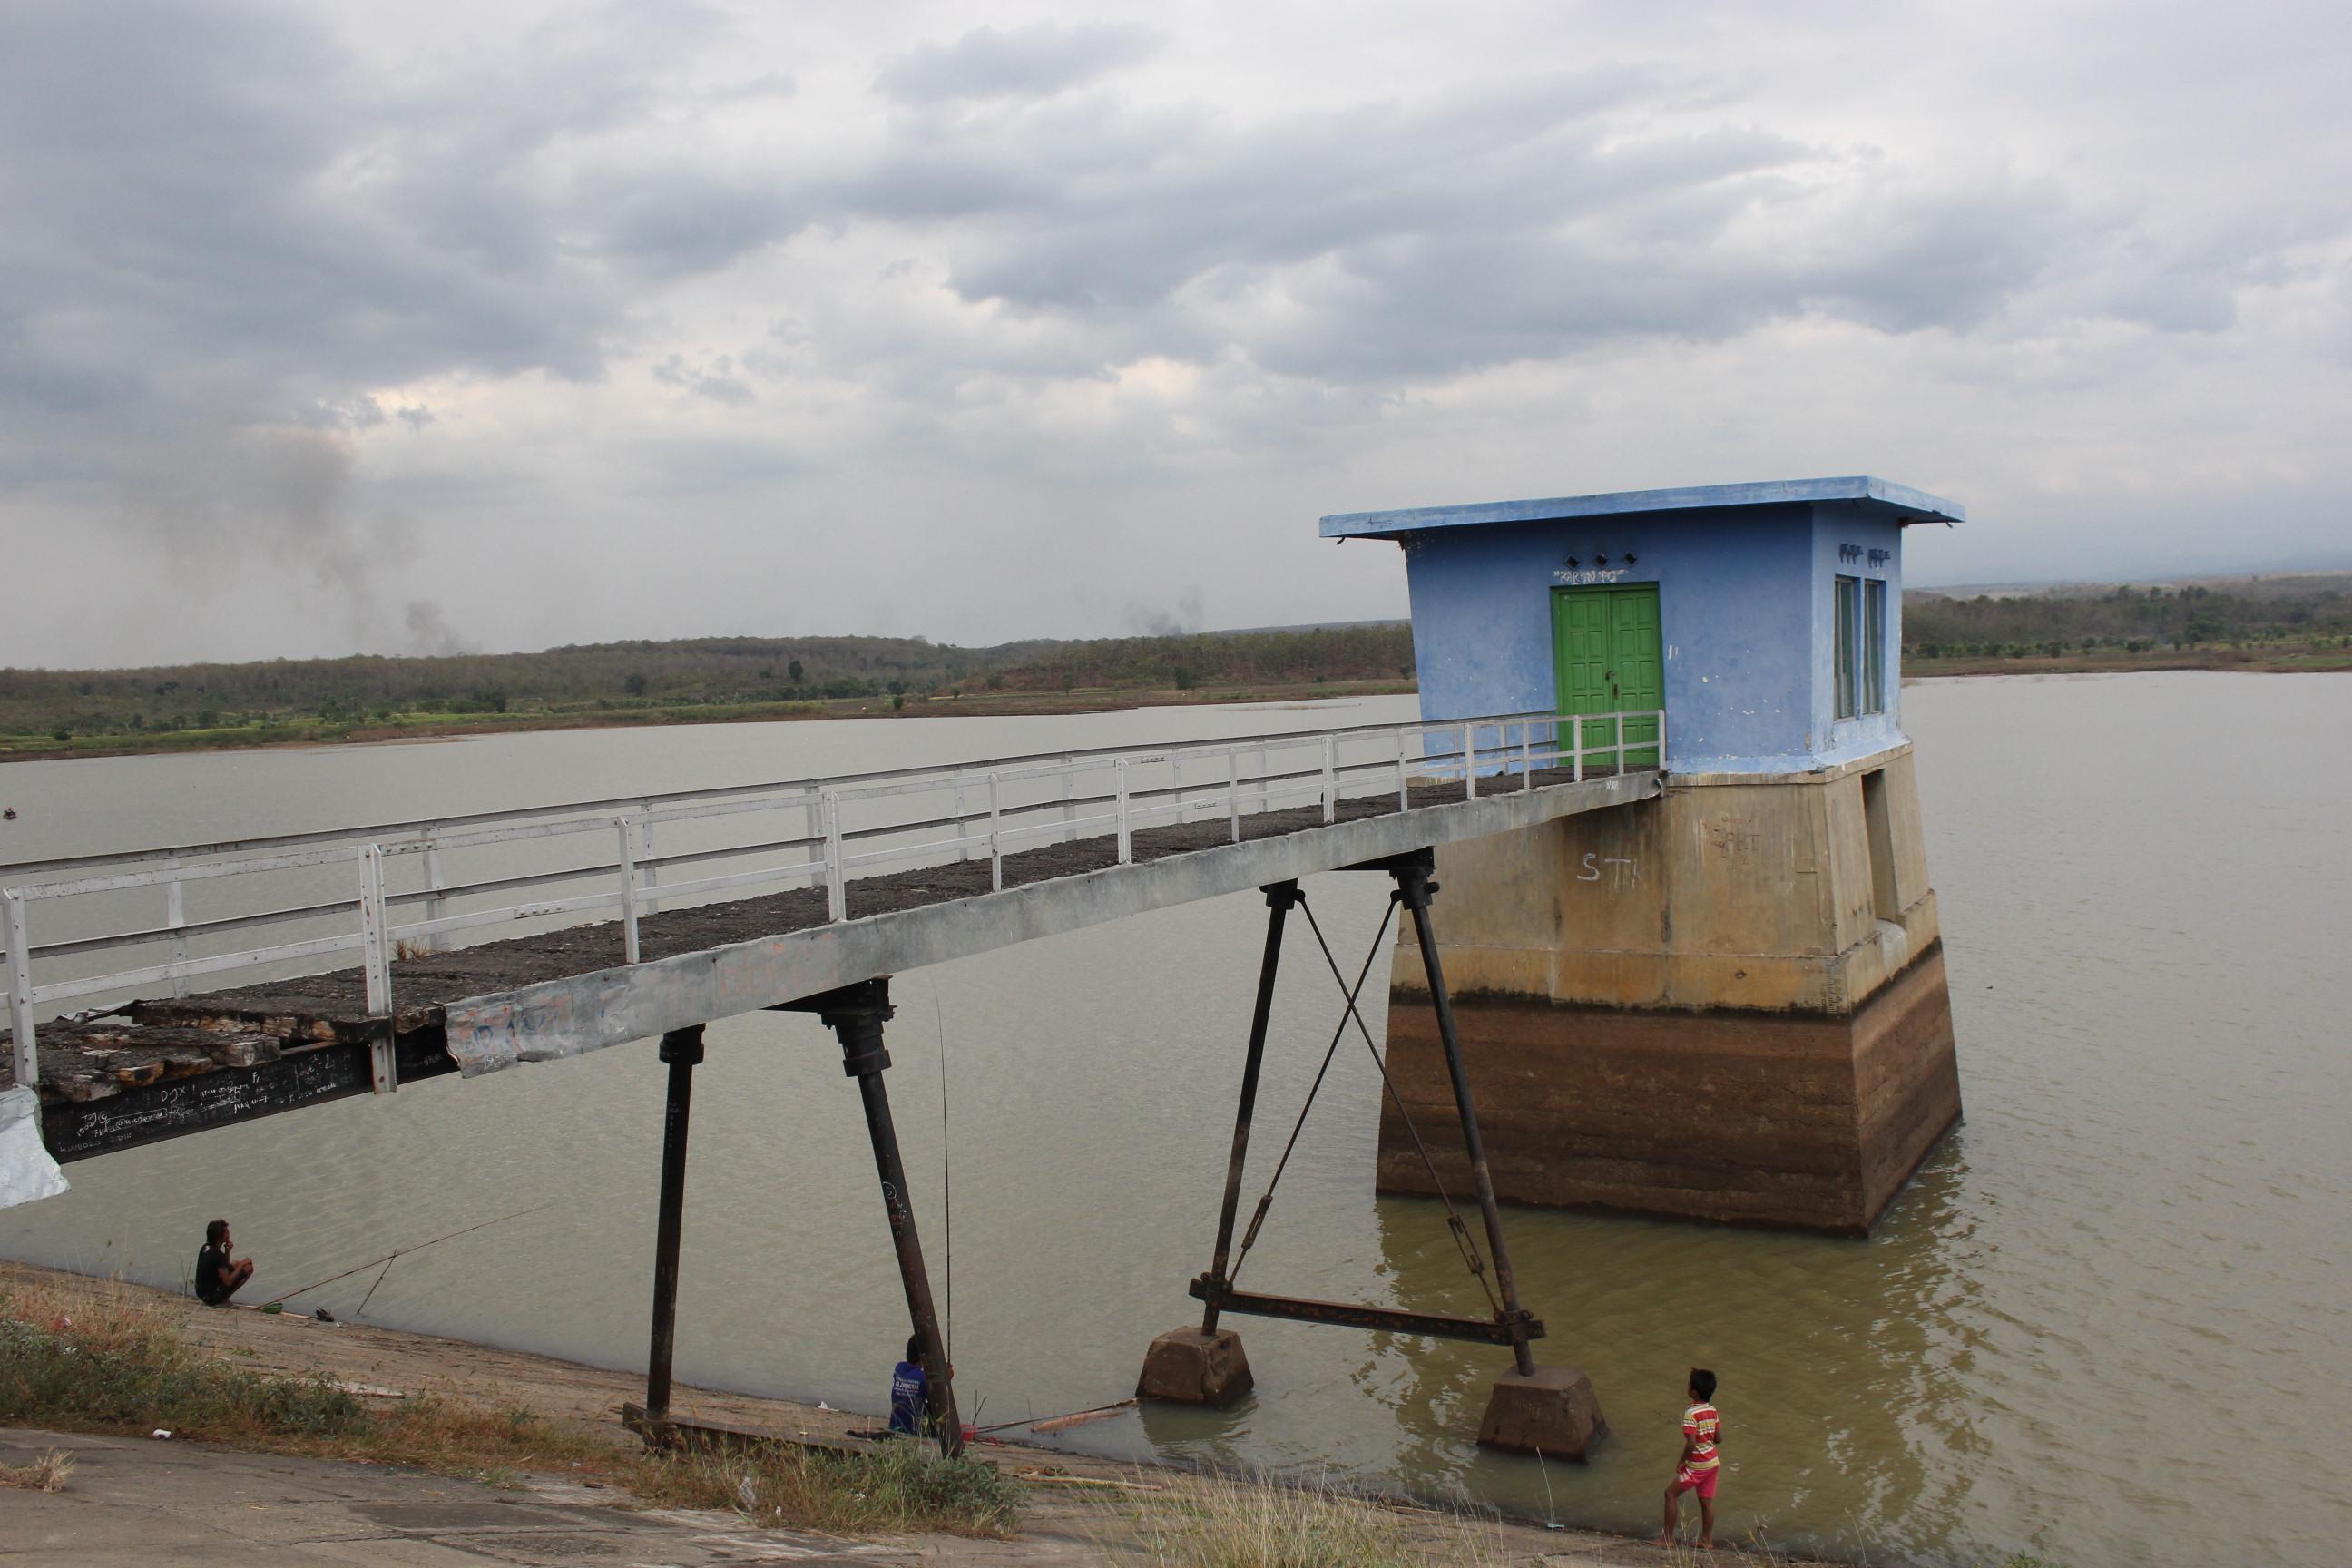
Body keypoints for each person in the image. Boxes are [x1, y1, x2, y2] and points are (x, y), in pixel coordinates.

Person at [1659, 1367, 1722, 1549]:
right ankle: (1706, 1540)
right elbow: (1718, 1438)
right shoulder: (1712, 1410)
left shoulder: (1690, 1414)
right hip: (1713, 1463)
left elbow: (1691, 1444)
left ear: (1693, 1392)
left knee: (1670, 1493)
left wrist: (1682, 1462)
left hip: (1698, 1464)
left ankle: (1668, 1539)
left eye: (1689, 1384)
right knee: (1706, 1501)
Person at [194, 1219, 255, 1307]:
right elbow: (228, 1282)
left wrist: (227, 1251)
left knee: (235, 1263)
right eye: (226, 1232)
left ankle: (221, 1298)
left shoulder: (205, 1247)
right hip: (211, 1297)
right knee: (248, 1268)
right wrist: (242, 1264)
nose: (229, 1234)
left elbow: (223, 1265)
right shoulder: (218, 1255)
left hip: (201, 1293)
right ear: (220, 1237)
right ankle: (222, 1300)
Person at [887, 1333, 930, 1436]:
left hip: (894, 1426)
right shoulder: (924, 1377)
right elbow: (938, 1400)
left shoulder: (899, 1367)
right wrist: (947, 1379)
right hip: (913, 1430)